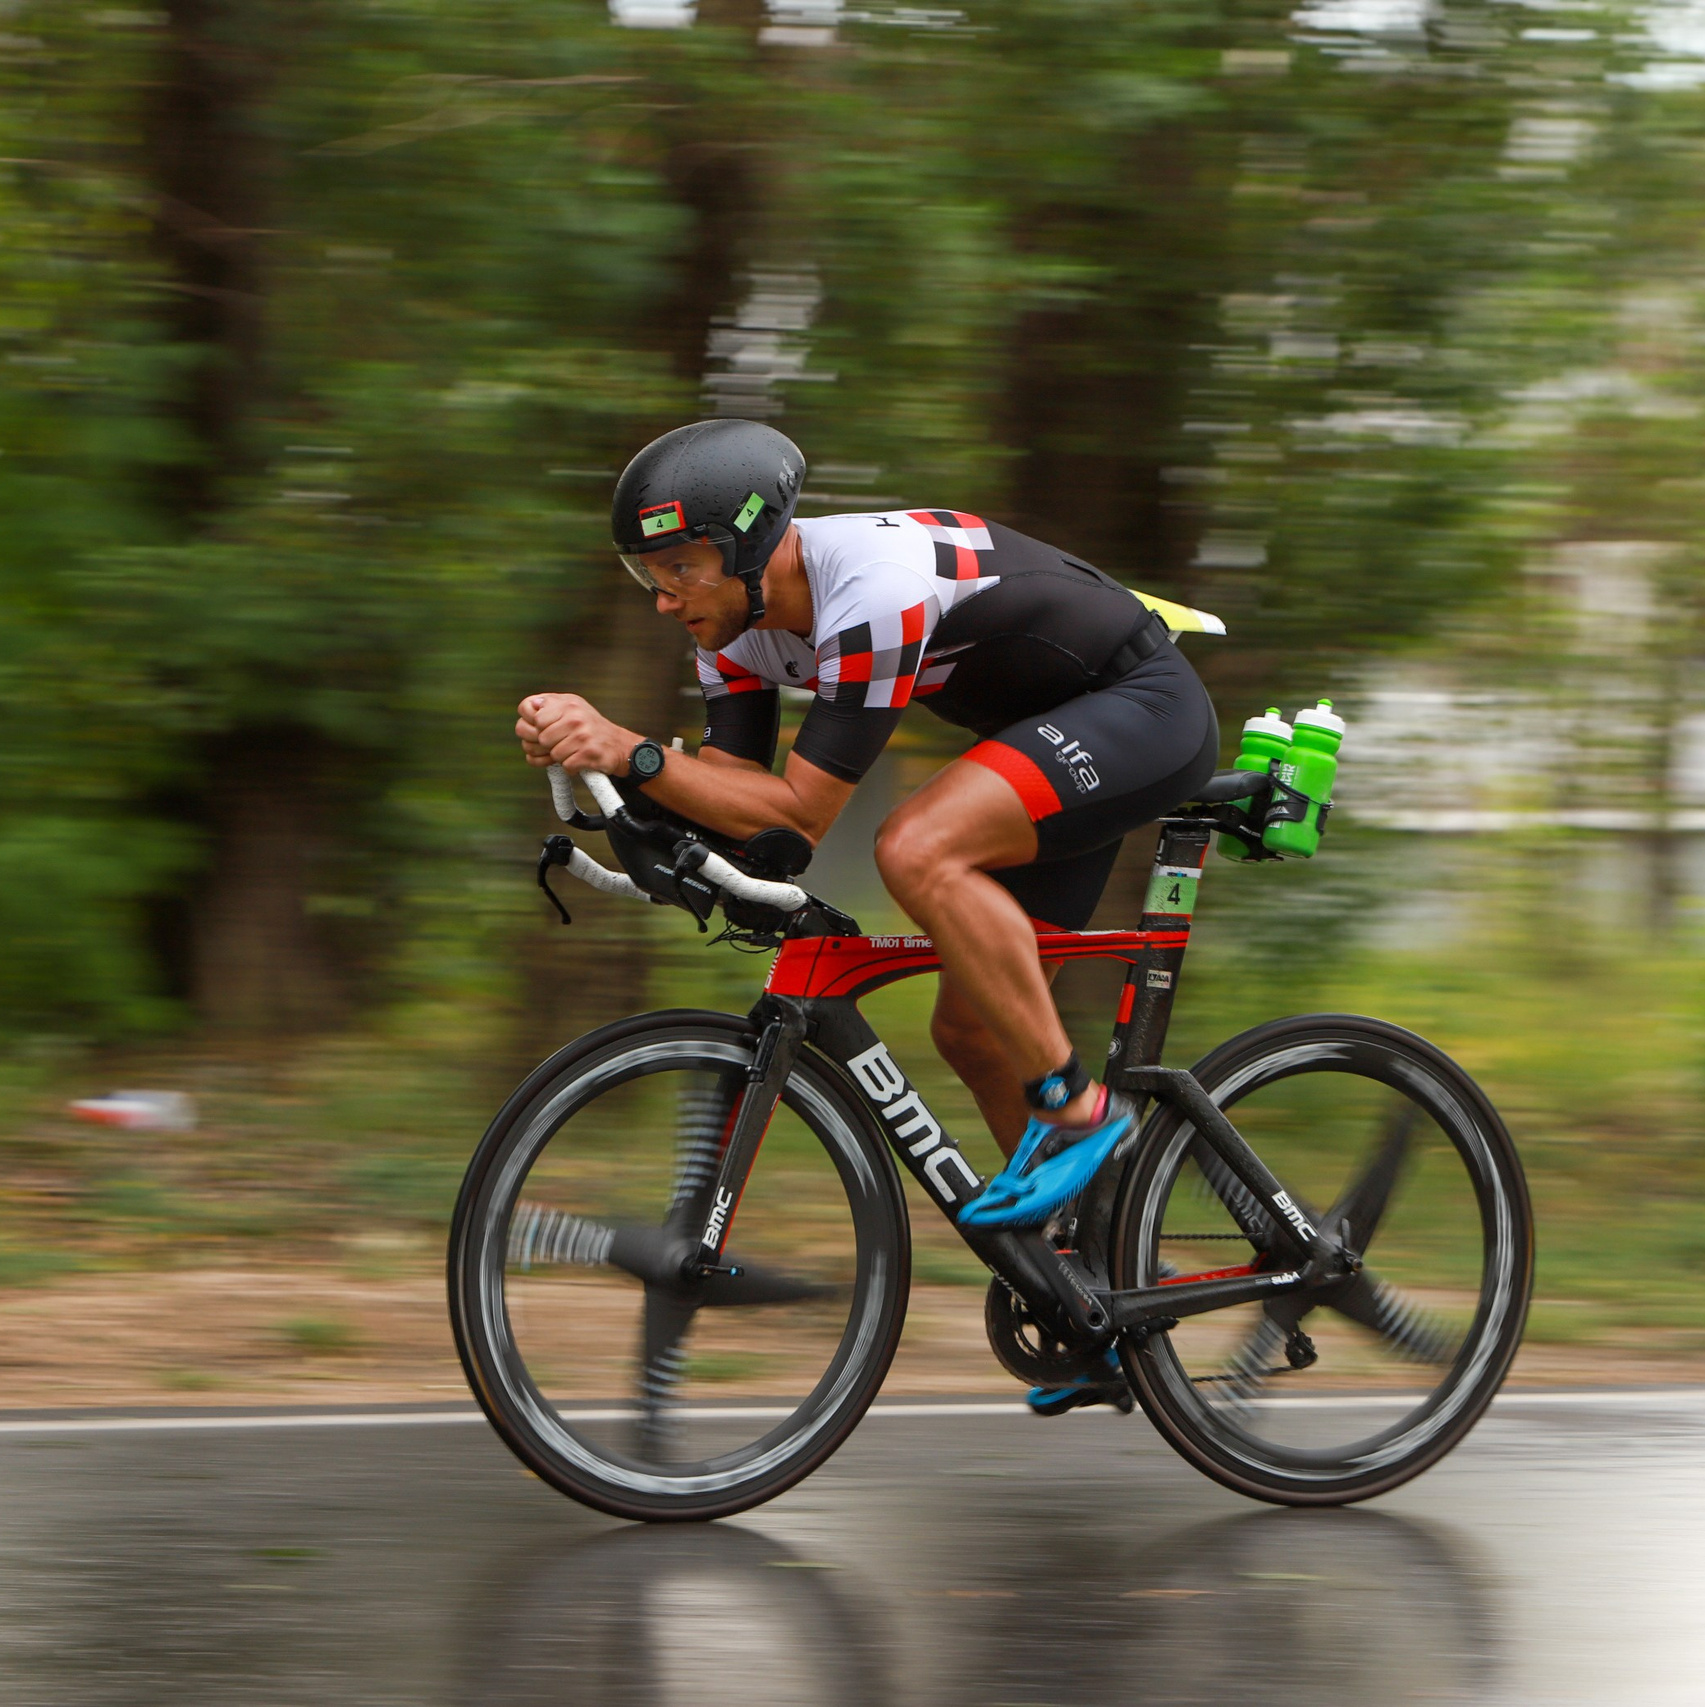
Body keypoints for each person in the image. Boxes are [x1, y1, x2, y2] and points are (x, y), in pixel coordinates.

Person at [517, 419, 1221, 1413]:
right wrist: (613, 788)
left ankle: (1077, 1109)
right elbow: (734, 792)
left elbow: (800, 813)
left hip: (1142, 708)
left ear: (753, 546)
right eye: (647, 576)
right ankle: (1091, 1290)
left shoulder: (870, 593)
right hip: (1051, 734)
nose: (664, 597)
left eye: (680, 567)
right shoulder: (735, 629)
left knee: (914, 847)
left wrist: (628, 749)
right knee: (972, 1025)